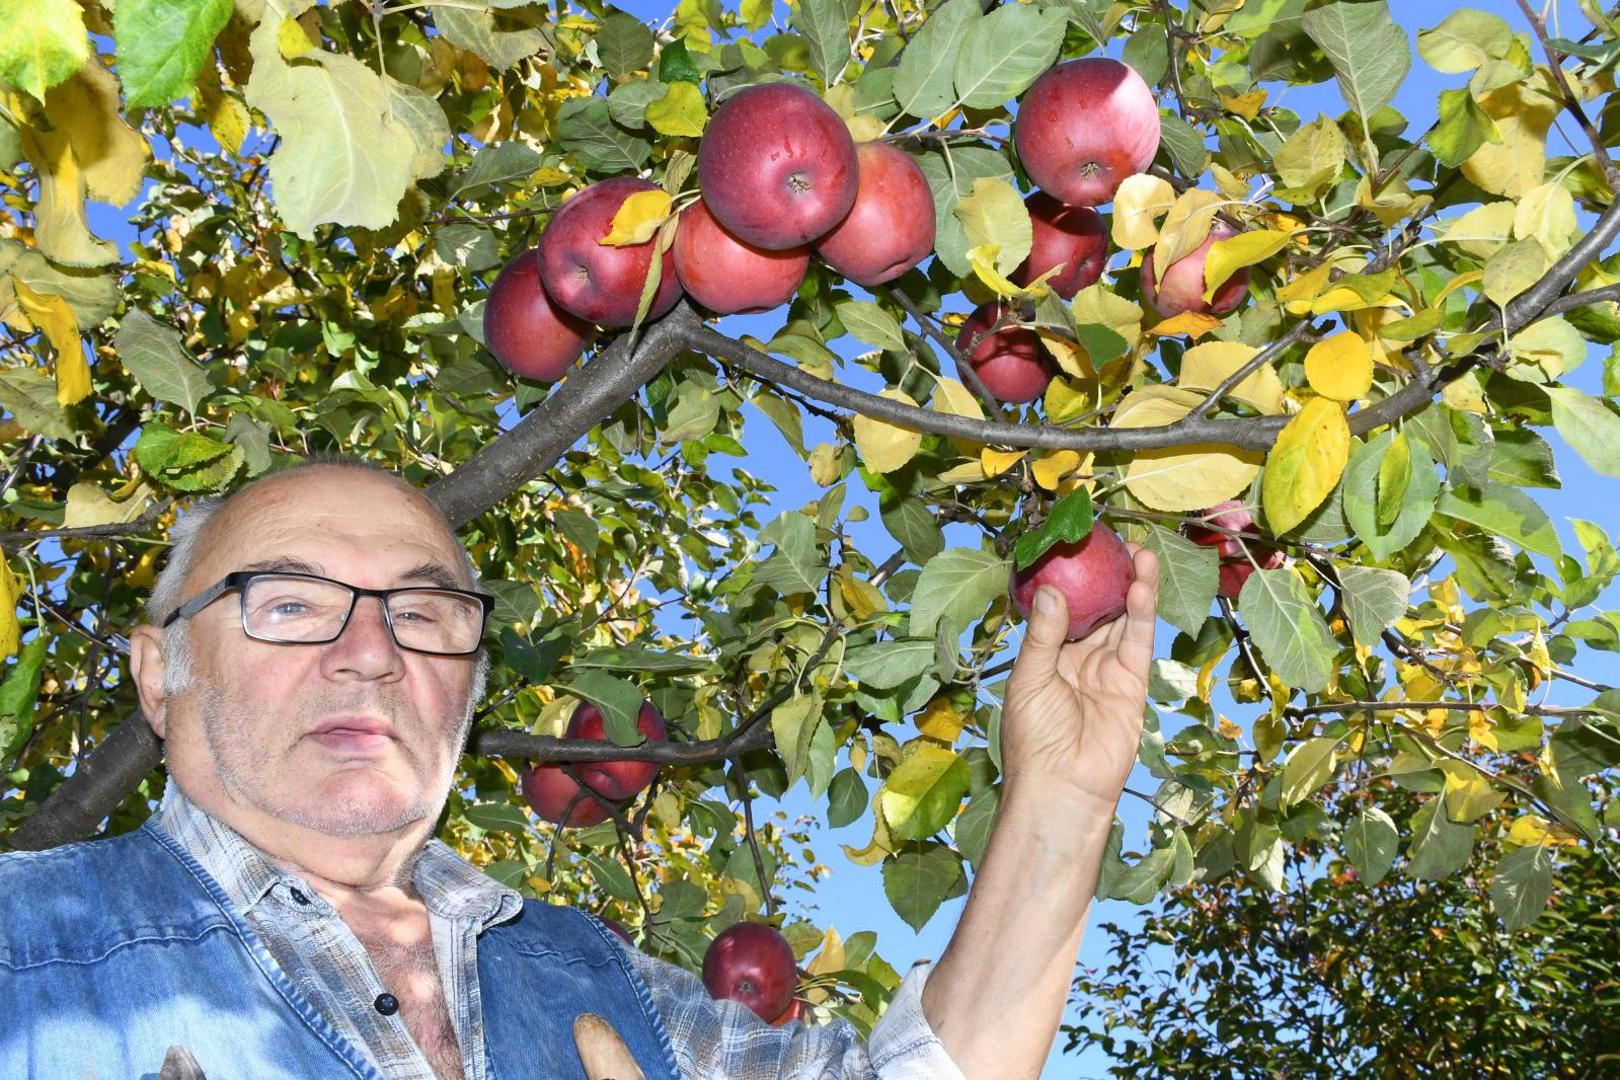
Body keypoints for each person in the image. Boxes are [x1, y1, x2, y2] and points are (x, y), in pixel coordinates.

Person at [0, 458, 1159, 1079]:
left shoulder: (594, 981)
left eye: (422, 612)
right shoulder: (22, 946)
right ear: (159, 675)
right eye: (290, 602)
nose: (369, 653)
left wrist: (1060, 794)